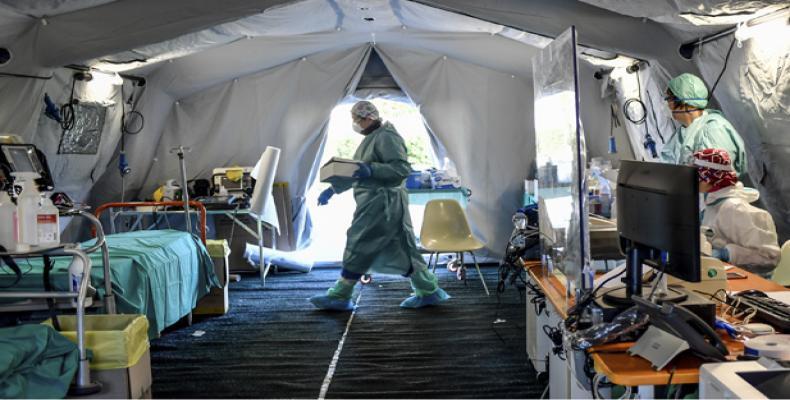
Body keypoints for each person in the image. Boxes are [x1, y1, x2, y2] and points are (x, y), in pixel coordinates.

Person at [309, 101, 450, 311]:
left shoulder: (387, 137)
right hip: (377, 203)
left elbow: (400, 169)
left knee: (359, 243)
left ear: (369, 118)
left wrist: (371, 169)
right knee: (402, 248)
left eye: (357, 120)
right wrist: (333, 189)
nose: (355, 124)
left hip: (383, 204)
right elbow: (358, 171)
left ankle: (341, 294)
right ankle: (428, 290)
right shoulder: (372, 139)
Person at [693, 148, 780, 277]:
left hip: (749, 280)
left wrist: (727, 254)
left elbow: (769, 257)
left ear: (709, 178)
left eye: (698, 177)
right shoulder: (710, 199)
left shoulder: (735, 209)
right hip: (719, 272)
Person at [661, 73, 747, 177]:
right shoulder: (682, 133)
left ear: (684, 101)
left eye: (669, 99)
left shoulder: (713, 129)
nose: (666, 105)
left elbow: (717, 180)